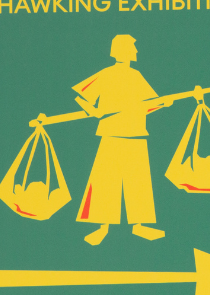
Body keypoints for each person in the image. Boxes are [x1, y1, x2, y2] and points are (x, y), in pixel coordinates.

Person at [71, 35, 172, 245]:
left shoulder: (136, 75)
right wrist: (94, 111)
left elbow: (146, 105)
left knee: (139, 181)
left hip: (136, 133)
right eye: (133, 48)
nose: (136, 51)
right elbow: (81, 96)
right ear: (122, 50)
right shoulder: (106, 74)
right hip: (111, 133)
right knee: (106, 181)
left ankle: (140, 225)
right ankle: (102, 227)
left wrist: (163, 103)